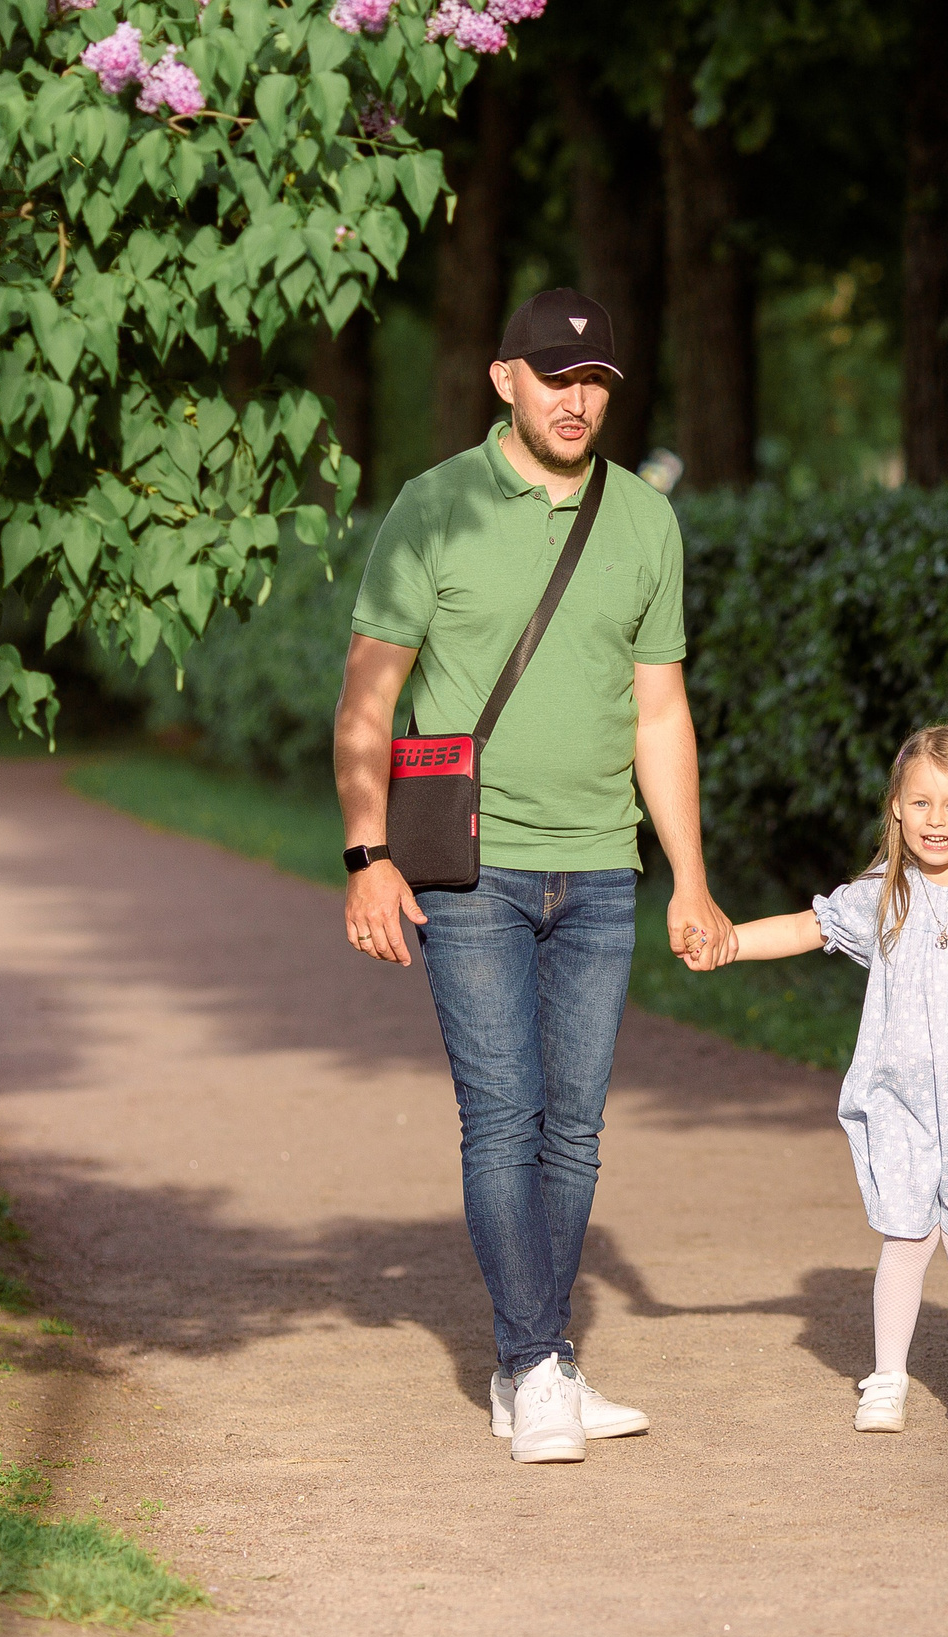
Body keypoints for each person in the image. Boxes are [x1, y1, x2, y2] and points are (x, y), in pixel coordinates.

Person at [333, 287, 737, 1467]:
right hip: (468, 874)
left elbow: (660, 714)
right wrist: (367, 856)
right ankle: (531, 1360)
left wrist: (689, 880)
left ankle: (538, 1362)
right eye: (554, 376)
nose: (576, 397)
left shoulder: (644, 521)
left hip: (601, 870)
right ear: (503, 378)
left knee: (576, 1133)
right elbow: (366, 700)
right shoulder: (434, 507)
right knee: (503, 1119)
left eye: (596, 379)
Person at [687, 722, 948, 1435]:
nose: (935, 820)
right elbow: (803, 928)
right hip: (899, 1101)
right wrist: (728, 943)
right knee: (906, 1237)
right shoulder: (884, 896)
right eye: (920, 803)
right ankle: (887, 1376)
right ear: (896, 810)